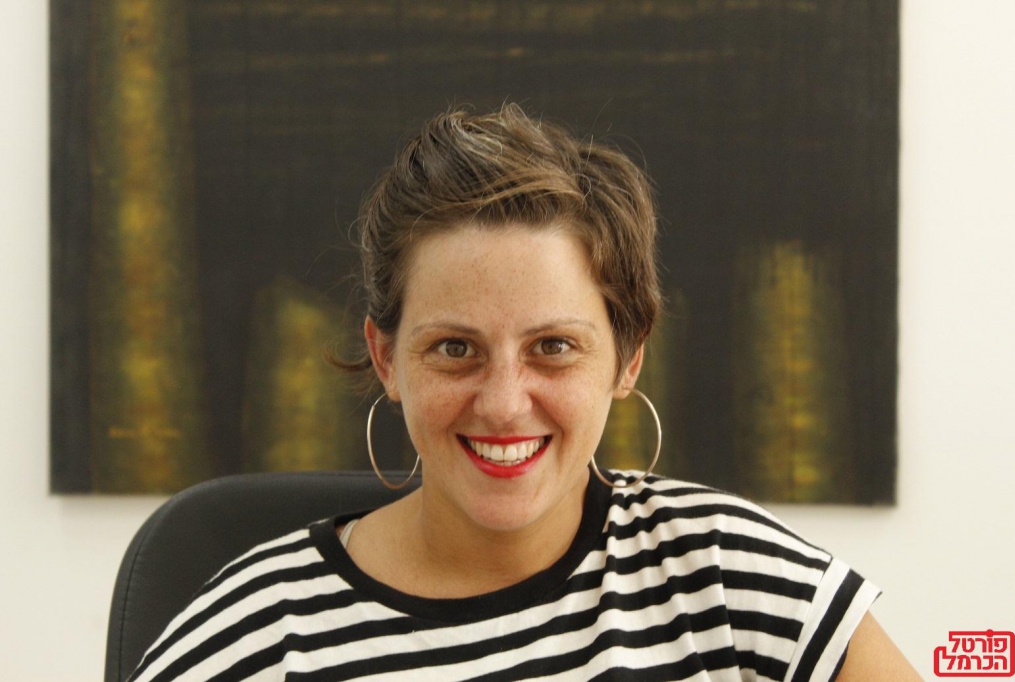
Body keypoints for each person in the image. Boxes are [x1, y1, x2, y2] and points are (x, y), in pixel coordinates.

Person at [128, 104, 921, 681]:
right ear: (387, 358)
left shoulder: (727, 574)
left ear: (628, 358)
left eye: (553, 347)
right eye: (455, 349)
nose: (505, 403)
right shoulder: (253, 638)